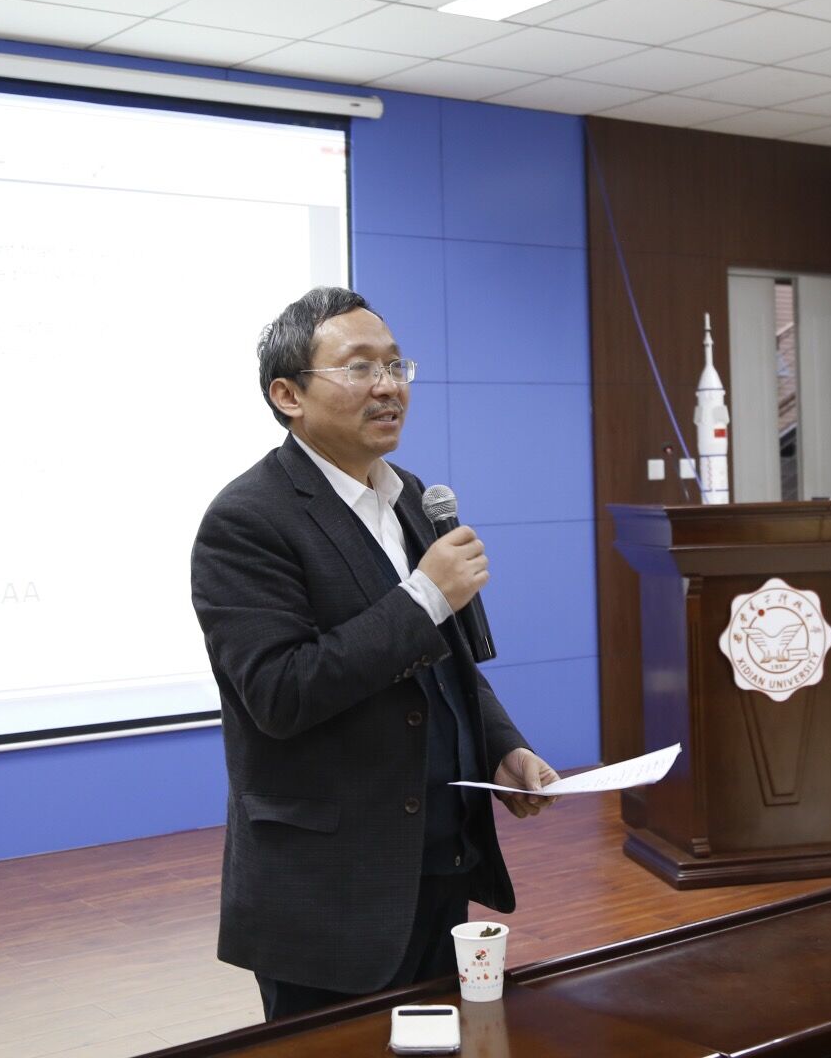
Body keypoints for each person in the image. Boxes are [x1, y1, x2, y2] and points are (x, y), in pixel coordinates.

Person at [191, 286, 557, 1021]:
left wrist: (501, 748)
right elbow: (281, 692)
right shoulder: (247, 520)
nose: (388, 386)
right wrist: (424, 597)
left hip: (440, 863)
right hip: (331, 891)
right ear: (288, 395)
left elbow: (446, 659)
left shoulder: (411, 496)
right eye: (360, 367)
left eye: (396, 365)